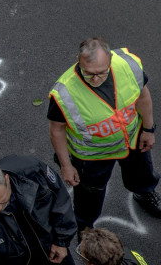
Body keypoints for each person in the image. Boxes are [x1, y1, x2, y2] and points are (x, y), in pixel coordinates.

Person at [48, 37, 161, 232]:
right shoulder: (64, 92)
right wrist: (66, 166)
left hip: (132, 140)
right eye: (88, 73)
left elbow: (142, 96)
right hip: (92, 157)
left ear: (110, 60)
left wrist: (148, 129)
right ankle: (85, 225)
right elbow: (56, 129)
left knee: (142, 174)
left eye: (101, 73)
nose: (96, 80)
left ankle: (144, 193)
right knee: (89, 196)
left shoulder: (128, 66)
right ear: (78, 61)